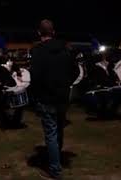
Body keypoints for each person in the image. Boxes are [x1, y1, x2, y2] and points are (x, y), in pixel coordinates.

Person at [31, 19, 76, 179]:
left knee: (51, 134)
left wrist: (36, 95)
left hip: (47, 99)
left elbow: (35, 77)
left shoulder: (37, 51)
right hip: (62, 98)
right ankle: (58, 159)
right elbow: (76, 71)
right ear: (53, 32)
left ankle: (55, 170)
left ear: (39, 33)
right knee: (59, 131)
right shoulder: (65, 49)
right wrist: (65, 85)